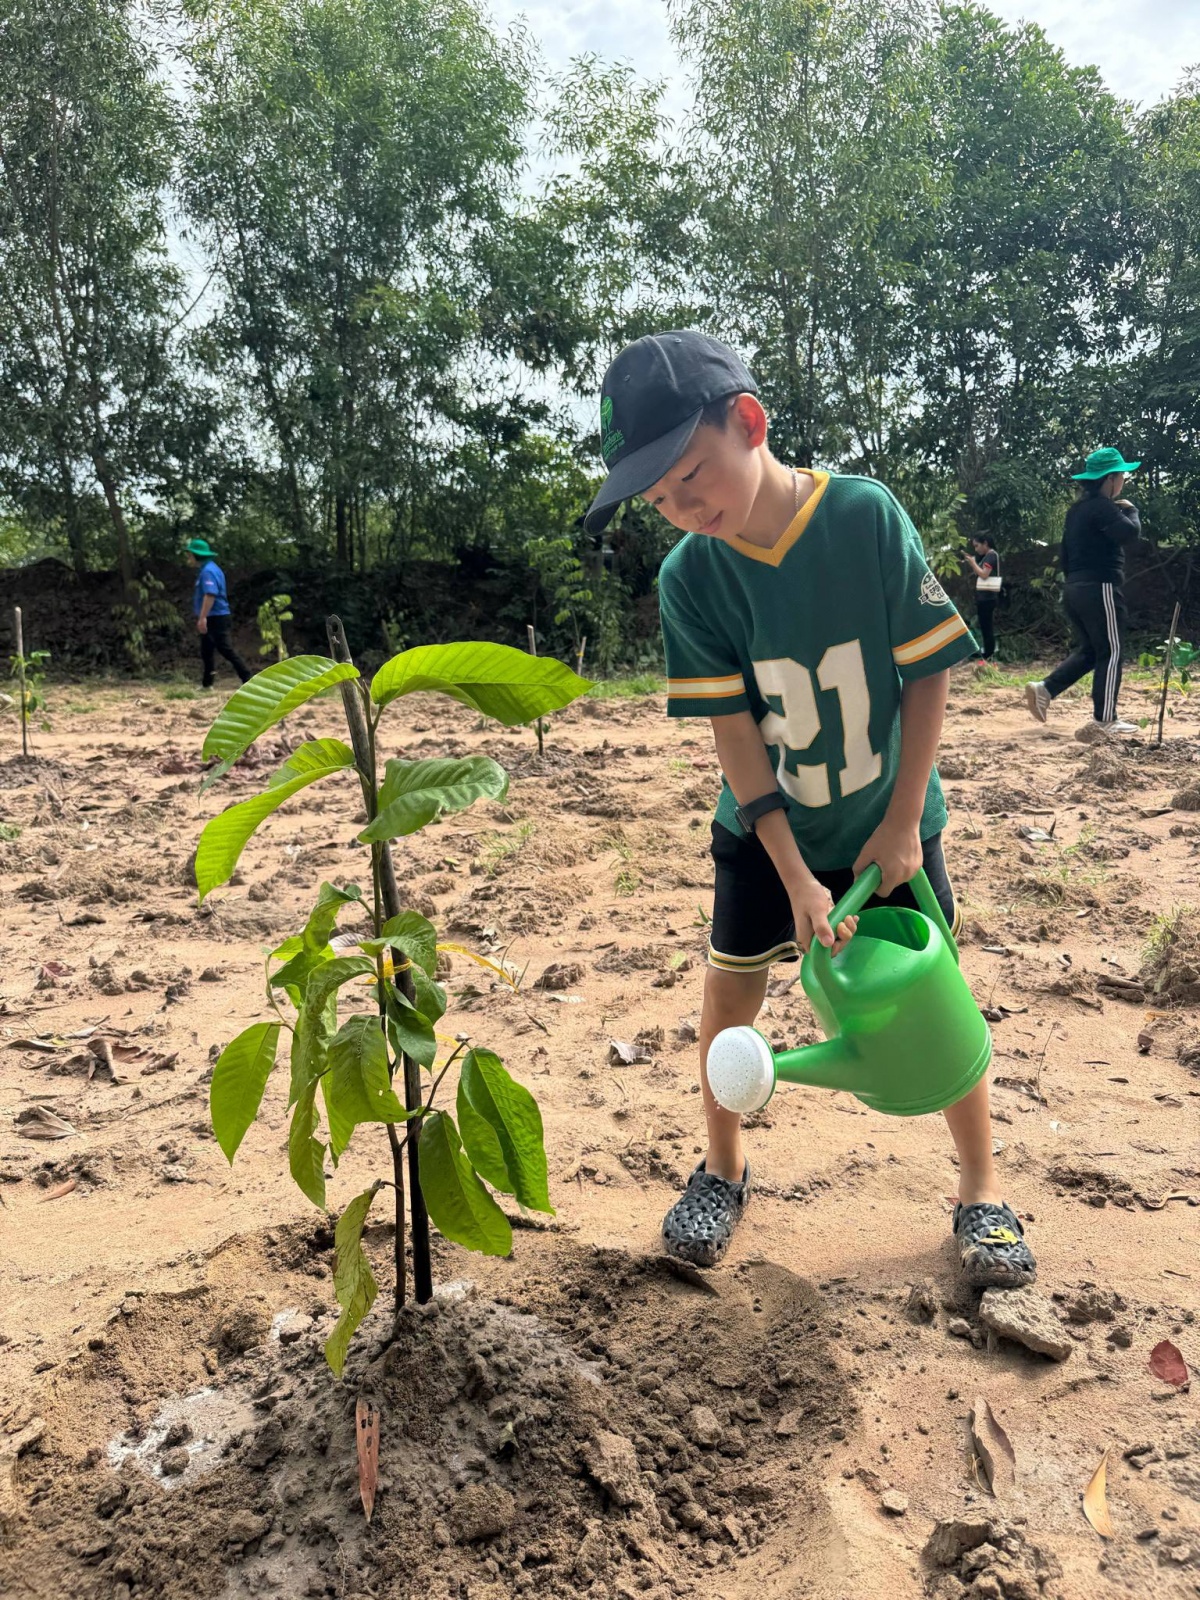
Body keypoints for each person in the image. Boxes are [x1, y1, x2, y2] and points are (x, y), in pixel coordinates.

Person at [583, 330, 1036, 1289]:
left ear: (749, 422)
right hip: (766, 833)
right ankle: (722, 1167)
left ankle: (981, 1189)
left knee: (939, 996)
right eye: (660, 501)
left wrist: (903, 821)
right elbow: (737, 737)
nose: (684, 509)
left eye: (691, 476)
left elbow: (926, 674)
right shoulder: (691, 579)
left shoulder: (864, 518)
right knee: (730, 996)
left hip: (889, 823)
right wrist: (791, 873)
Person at [1024, 447, 1141, 741]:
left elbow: (1064, 553)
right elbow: (1130, 534)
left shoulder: (1076, 511)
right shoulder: (1103, 507)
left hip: (1075, 588)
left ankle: (1046, 689)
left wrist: (1076, 582)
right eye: (1122, 475)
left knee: (1092, 651)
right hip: (1100, 587)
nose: (1123, 480)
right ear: (1110, 478)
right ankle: (1105, 719)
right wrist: (1131, 511)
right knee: (1111, 652)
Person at [186, 537, 253, 689]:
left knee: (225, 649)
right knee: (206, 650)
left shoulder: (208, 571)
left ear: (196, 555)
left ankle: (248, 678)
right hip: (212, 616)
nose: (188, 558)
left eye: (189, 555)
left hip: (216, 616)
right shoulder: (208, 569)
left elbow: (210, 594)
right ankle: (207, 684)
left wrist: (202, 618)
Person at [963, 534, 1001, 660]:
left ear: (985, 543)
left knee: (987, 626)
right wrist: (973, 562)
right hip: (985, 597)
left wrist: (973, 563)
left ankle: (989, 653)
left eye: (977, 546)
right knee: (984, 625)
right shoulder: (987, 556)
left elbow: (984, 575)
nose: (976, 549)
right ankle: (987, 651)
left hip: (988, 597)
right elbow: (979, 572)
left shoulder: (991, 556)